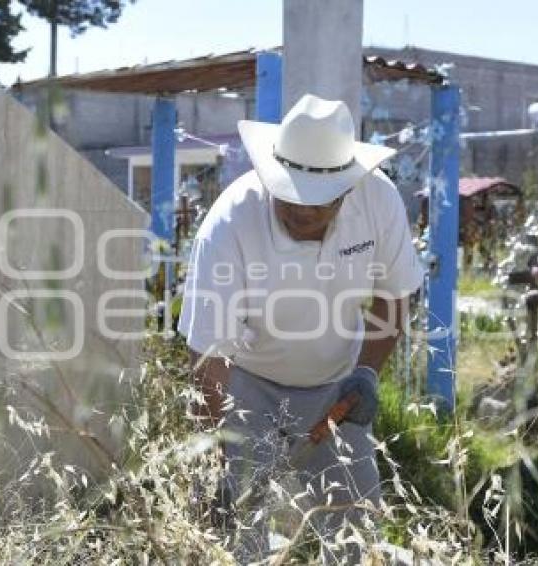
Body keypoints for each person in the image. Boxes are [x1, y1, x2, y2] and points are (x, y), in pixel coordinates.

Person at [178, 93, 424, 563]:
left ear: (347, 191)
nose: (299, 213)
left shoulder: (379, 201)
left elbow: (394, 296)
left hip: (336, 387)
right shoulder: (231, 221)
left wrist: (367, 374)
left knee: (356, 530)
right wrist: (216, 456)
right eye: (289, 200)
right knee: (230, 534)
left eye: (314, 206)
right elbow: (208, 353)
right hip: (243, 385)